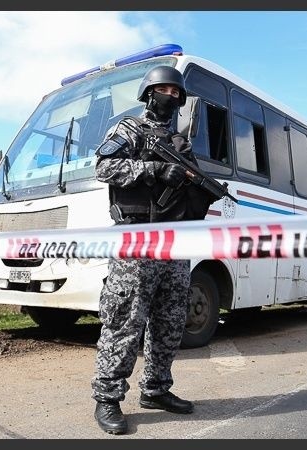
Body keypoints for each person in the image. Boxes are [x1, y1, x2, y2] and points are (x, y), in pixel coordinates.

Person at [90, 66, 214, 435]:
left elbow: (189, 186)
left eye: (177, 94)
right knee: (126, 319)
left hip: (174, 242)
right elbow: (104, 167)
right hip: (136, 239)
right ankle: (108, 397)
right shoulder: (127, 129)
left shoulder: (180, 143)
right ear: (148, 93)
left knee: (170, 320)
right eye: (164, 90)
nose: (170, 98)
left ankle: (156, 389)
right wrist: (154, 171)